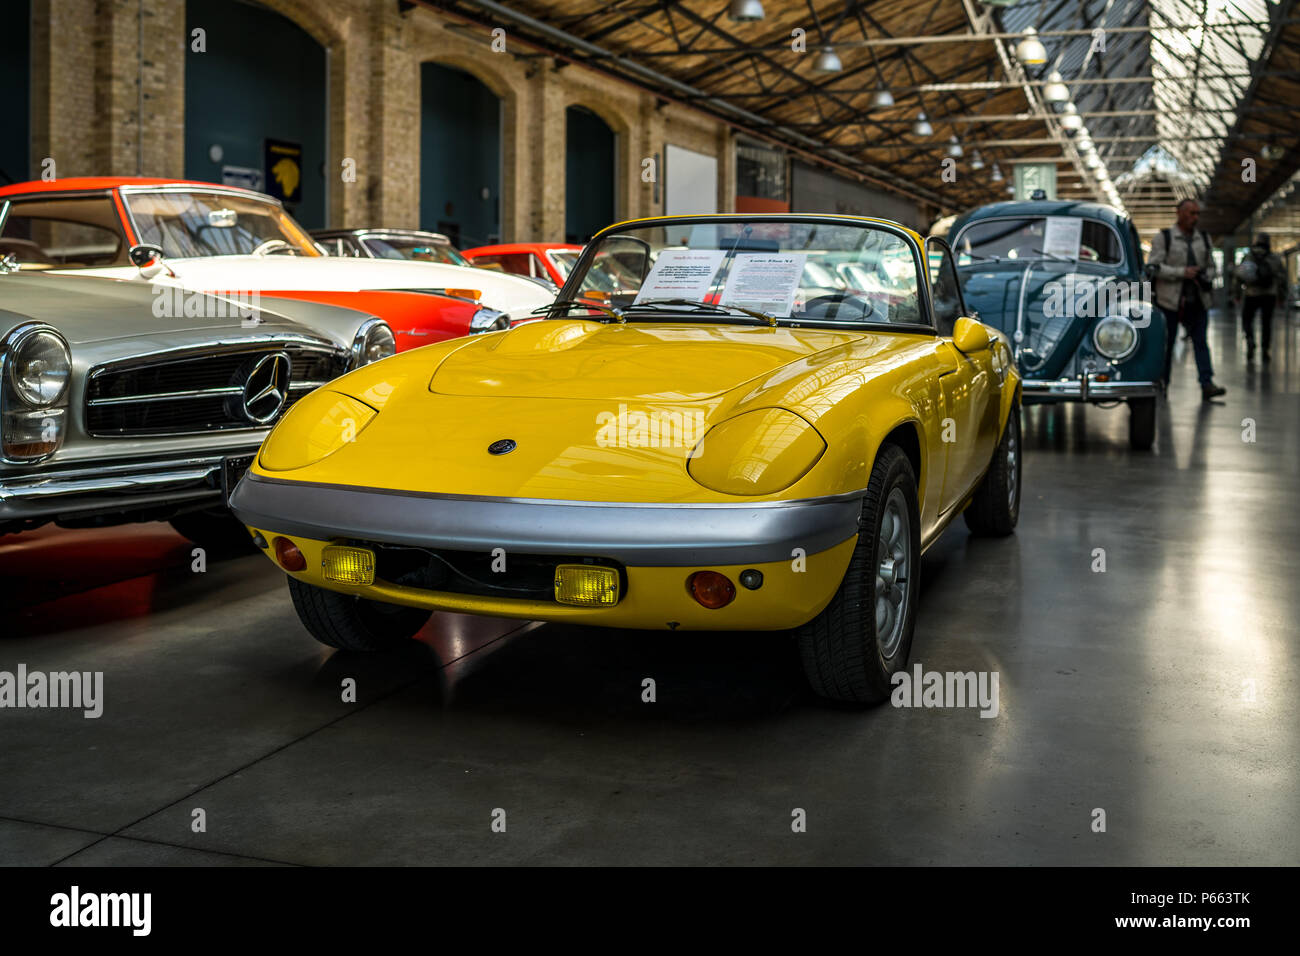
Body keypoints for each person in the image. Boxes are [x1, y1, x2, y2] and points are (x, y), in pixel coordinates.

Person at [1148, 199, 1226, 401]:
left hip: (1198, 300)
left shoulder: (1204, 239)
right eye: (1191, 213)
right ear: (1179, 213)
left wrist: (1205, 275)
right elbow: (1154, 267)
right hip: (1170, 301)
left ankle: (1207, 384)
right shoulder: (1164, 238)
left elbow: (1211, 266)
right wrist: (1181, 272)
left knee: (1201, 342)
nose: (1195, 218)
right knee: (1167, 344)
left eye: (1197, 214)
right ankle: (1162, 383)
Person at [1232, 233, 1285, 363]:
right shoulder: (1274, 258)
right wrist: (1281, 296)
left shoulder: (1248, 256)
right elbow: (1282, 279)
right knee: (1266, 323)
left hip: (1251, 294)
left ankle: (1250, 338)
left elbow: (1238, 276)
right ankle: (1265, 349)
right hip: (1269, 294)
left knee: (1247, 319)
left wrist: (1237, 294)